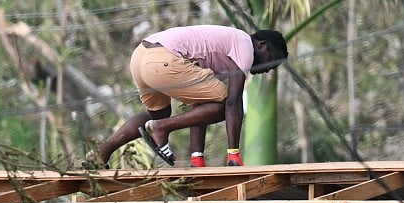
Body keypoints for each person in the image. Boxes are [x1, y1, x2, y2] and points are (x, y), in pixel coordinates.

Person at [90, 25, 288, 168]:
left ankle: (101, 153)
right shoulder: (244, 46)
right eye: (273, 61)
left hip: (142, 55)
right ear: (262, 45)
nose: (269, 69)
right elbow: (233, 103)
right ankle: (162, 128)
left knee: (158, 115)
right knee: (224, 105)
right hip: (164, 59)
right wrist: (233, 156)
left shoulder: (223, 48)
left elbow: (200, 104)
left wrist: (197, 159)